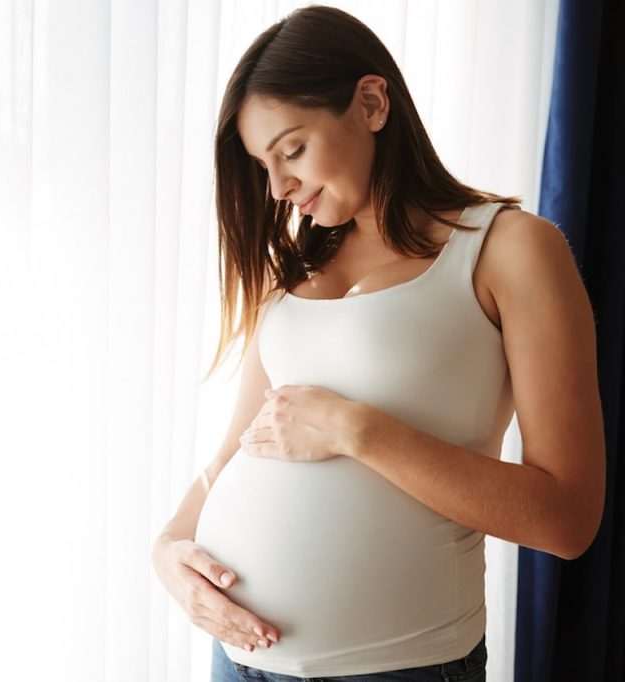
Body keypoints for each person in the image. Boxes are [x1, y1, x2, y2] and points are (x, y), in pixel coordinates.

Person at [150, 5, 606, 682]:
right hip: (237, 662)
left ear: (370, 102)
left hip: (401, 668)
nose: (278, 189)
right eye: (262, 166)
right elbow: (231, 456)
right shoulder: (294, 275)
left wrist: (357, 429)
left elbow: (568, 518)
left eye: (292, 150)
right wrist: (169, 553)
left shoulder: (508, 250)